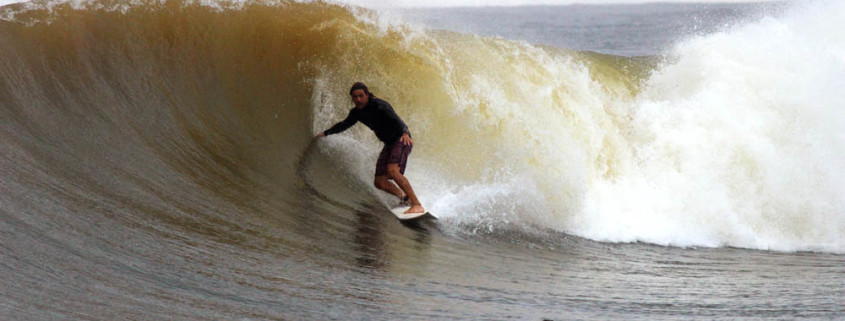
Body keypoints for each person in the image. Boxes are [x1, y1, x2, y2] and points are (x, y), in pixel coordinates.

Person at [315, 82, 425, 214]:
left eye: (361, 96)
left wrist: (405, 132)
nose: (358, 99)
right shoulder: (356, 113)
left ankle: (416, 204)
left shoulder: (379, 105)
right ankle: (404, 197)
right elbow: (344, 125)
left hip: (401, 139)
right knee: (379, 182)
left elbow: (396, 119)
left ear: (367, 95)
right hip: (389, 144)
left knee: (393, 171)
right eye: (355, 97)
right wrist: (326, 133)